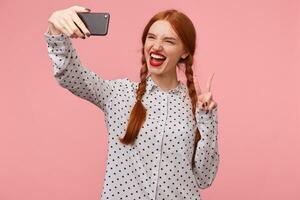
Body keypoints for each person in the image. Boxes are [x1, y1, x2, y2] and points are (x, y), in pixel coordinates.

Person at [44, 5, 219, 200]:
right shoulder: (118, 94)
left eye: (168, 41)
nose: (157, 46)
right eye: (151, 37)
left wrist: (207, 119)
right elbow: (70, 75)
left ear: (185, 52)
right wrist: (56, 32)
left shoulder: (196, 108)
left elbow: (204, 178)